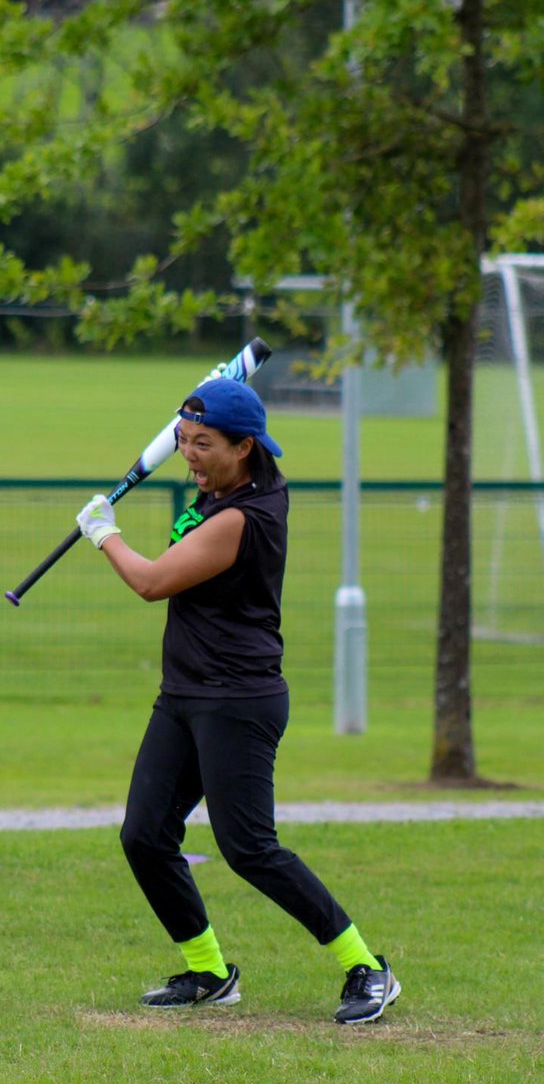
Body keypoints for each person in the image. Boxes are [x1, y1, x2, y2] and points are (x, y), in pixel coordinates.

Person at [76, 377, 400, 1024]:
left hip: (239, 700)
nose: (189, 455)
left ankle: (367, 967)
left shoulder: (244, 518)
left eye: (203, 444)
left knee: (248, 846)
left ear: (245, 447)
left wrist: (102, 532)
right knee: (144, 835)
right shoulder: (218, 494)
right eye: (183, 441)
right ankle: (209, 973)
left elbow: (152, 582)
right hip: (184, 695)